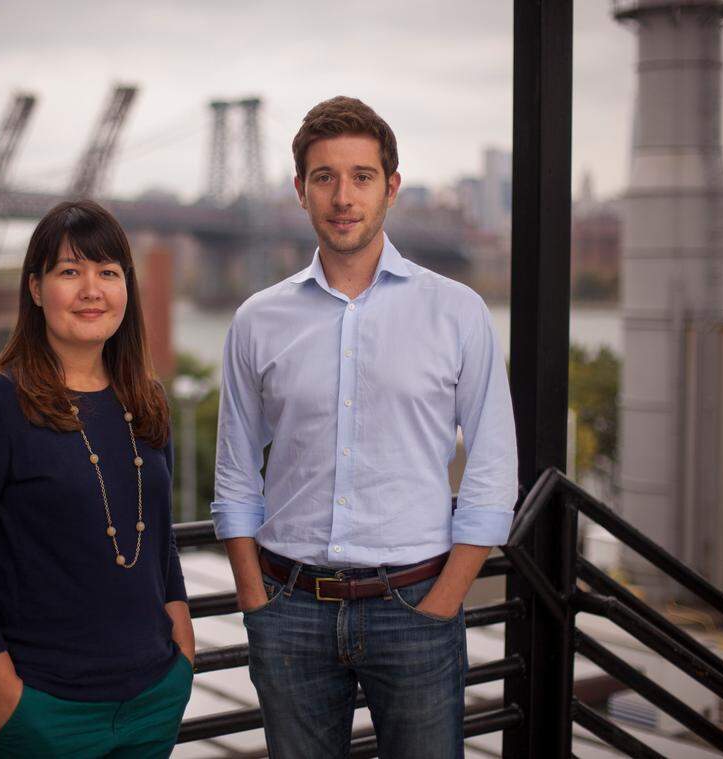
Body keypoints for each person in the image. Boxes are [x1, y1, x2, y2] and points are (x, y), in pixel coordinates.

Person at [212, 96, 518, 758]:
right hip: (287, 608)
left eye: (361, 176)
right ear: (300, 191)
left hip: (415, 608)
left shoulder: (458, 313)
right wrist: (256, 601)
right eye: (324, 177)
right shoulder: (257, 320)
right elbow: (235, 471)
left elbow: (494, 472)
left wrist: (444, 600)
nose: (342, 196)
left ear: (392, 187)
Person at [0, 200, 194, 758]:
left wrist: (182, 650)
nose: (92, 289)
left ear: (127, 289)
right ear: (37, 290)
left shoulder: (146, 402)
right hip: (41, 713)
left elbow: (157, 539)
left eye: (108, 273)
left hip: (150, 705)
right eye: (70, 272)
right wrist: (6, 694)